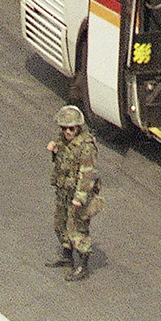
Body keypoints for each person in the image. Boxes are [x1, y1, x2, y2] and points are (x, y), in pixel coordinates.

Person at [47, 104, 100, 281]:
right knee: (60, 224)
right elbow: (63, 162)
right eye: (64, 128)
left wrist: (80, 198)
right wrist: (54, 151)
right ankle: (66, 255)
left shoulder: (86, 146)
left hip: (78, 194)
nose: (67, 132)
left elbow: (88, 174)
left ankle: (83, 264)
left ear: (78, 127)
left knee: (78, 229)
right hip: (64, 190)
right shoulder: (63, 141)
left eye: (71, 128)